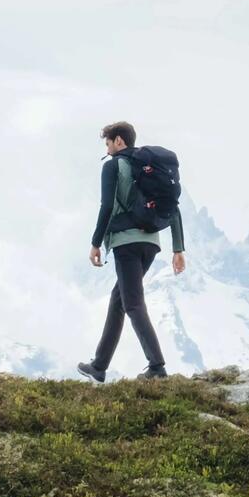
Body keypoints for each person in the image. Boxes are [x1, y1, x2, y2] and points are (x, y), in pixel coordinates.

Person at [77, 121, 185, 382]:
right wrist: (178, 248)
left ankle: (157, 367)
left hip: (126, 243)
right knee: (119, 300)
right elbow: (173, 206)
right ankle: (99, 365)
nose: (108, 149)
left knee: (133, 303)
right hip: (151, 243)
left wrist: (95, 243)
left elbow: (106, 206)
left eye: (108, 143)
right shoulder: (147, 168)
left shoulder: (113, 166)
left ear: (119, 141)